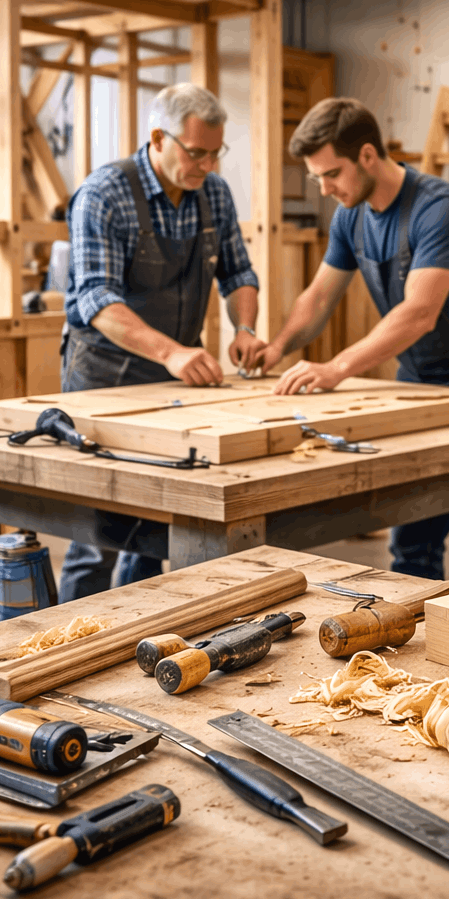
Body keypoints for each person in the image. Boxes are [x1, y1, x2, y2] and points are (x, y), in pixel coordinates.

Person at [257, 98, 449, 584]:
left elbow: (418, 312)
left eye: (332, 174)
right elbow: (320, 295)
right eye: (316, 179)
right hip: (419, 375)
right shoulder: (352, 215)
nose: (325, 189)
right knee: (413, 536)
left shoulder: (439, 208)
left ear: (368, 155)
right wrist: (277, 346)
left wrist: (337, 368)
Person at [58, 83, 264, 600]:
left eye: (216, 152)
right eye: (197, 152)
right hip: (103, 377)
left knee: (156, 524)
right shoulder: (104, 194)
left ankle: (137, 638)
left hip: (175, 377)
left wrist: (244, 329)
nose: (208, 165)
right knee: (96, 530)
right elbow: (95, 298)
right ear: (157, 137)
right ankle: (65, 648)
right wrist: (170, 351)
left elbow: (238, 272)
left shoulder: (212, 193)